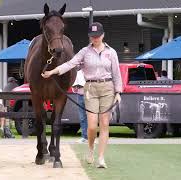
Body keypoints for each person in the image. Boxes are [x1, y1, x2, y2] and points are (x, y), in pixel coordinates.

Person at [42, 22, 122, 168]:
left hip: (108, 88)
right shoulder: (85, 52)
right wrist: (53, 71)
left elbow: (116, 73)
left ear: (103, 35)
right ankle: (91, 150)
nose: (95, 39)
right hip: (90, 87)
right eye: (92, 36)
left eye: (97, 36)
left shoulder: (112, 52)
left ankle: (101, 158)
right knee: (91, 126)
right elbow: (70, 64)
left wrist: (118, 92)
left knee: (104, 124)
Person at [72, 69, 88, 143]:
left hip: (90, 96)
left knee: (91, 117)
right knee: (82, 117)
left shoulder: (92, 71)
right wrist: (75, 88)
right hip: (80, 96)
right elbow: (74, 89)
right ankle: (84, 137)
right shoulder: (78, 73)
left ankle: (91, 137)